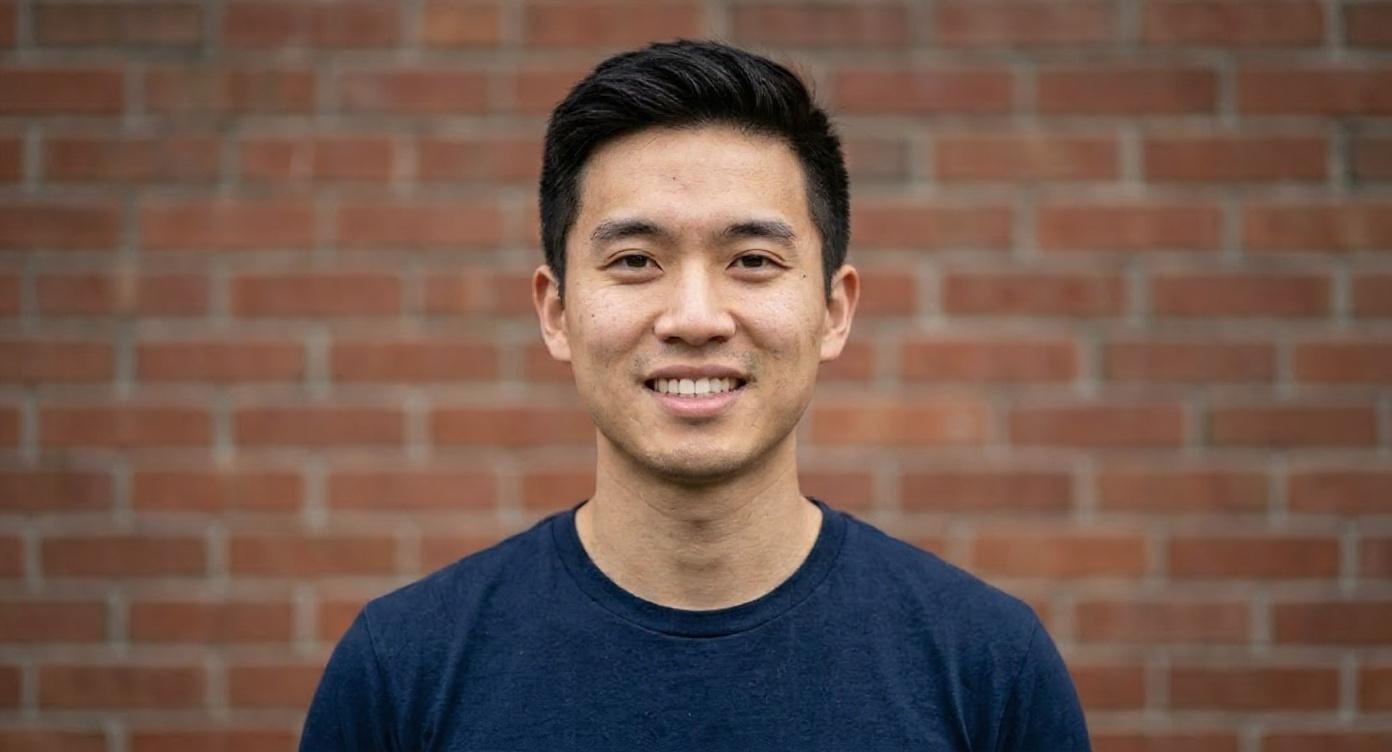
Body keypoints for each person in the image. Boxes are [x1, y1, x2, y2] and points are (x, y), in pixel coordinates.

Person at [300, 40, 1091, 751]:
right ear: (556, 311)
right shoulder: (402, 672)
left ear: (833, 310)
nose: (694, 319)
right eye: (636, 261)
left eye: (751, 260)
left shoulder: (987, 668)